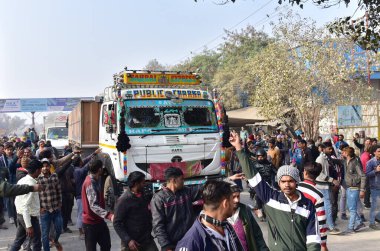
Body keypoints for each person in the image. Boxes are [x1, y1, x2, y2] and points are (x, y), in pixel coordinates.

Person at [229, 131, 321, 251]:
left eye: (290, 181)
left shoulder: (307, 205)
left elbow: (313, 238)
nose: (287, 185)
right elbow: (252, 175)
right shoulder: (271, 198)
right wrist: (238, 148)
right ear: (279, 183)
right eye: (283, 181)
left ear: (297, 182)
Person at [175, 180, 244, 251]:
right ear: (225, 203)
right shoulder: (191, 243)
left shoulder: (226, 226)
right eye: (232, 200)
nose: (235, 203)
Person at [151, 167, 202, 250]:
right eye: (181, 179)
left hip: (190, 240)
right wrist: (166, 246)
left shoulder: (186, 192)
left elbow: (204, 189)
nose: (183, 182)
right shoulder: (159, 198)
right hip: (172, 245)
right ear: (173, 180)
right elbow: (158, 225)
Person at [113, 171, 158, 251]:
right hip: (132, 243)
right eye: (143, 182)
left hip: (146, 239)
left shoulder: (144, 195)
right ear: (136, 183)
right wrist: (128, 240)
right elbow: (117, 223)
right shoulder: (124, 200)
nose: (145, 185)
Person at [10, 160, 43, 251]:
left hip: (21, 215)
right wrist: (28, 225)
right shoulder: (31, 184)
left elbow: (17, 201)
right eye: (40, 170)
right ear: (37, 170)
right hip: (29, 217)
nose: (41, 172)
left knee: (18, 241)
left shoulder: (22, 180)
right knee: (36, 243)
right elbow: (25, 206)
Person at [226, 179, 269, 251]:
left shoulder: (245, 210)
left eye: (238, 196)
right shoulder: (219, 216)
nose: (236, 200)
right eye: (233, 197)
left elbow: (257, 235)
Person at [82, 159, 114, 251]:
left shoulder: (96, 179)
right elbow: (93, 206)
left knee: (106, 245)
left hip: (99, 221)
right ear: (99, 170)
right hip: (90, 223)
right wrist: (109, 215)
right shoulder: (90, 183)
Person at [298, 162, 329, 251]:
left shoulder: (295, 188)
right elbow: (321, 221)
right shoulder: (318, 195)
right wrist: (323, 244)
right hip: (310, 234)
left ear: (305, 173)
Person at [73, 148, 101, 240]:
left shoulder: (76, 169)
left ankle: (82, 230)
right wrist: (93, 160)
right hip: (79, 195)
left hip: (79, 195)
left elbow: (85, 162)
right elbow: (87, 166)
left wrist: (93, 154)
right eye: (81, 161)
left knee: (82, 212)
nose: (83, 162)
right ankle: (81, 232)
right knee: (81, 213)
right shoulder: (79, 171)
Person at [37, 158, 63, 251]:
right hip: (45, 211)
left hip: (56, 208)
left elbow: (59, 190)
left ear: (49, 167)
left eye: (46, 166)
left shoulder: (54, 176)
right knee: (45, 234)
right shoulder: (38, 179)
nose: (45, 168)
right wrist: (39, 208)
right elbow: (36, 195)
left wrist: (60, 202)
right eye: (43, 166)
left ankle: (55, 240)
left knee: (59, 229)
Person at [315, 144, 341, 234]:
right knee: (328, 206)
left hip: (326, 185)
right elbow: (319, 174)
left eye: (331, 149)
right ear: (323, 149)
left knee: (327, 206)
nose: (330, 150)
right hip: (323, 186)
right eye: (329, 148)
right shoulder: (320, 159)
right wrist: (332, 180)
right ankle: (330, 226)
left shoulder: (326, 158)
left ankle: (327, 225)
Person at [341, 146, 366, 234]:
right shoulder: (345, 161)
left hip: (354, 188)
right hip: (348, 187)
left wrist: (362, 189)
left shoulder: (355, 162)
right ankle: (359, 222)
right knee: (350, 207)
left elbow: (363, 175)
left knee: (352, 209)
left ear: (347, 153)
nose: (342, 153)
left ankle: (351, 228)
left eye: (343, 152)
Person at [365, 145, 380, 230]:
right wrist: (376, 171)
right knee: (374, 206)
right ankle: (371, 222)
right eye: (378, 151)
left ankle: (377, 218)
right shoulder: (370, 162)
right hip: (375, 187)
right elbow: (367, 174)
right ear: (374, 152)